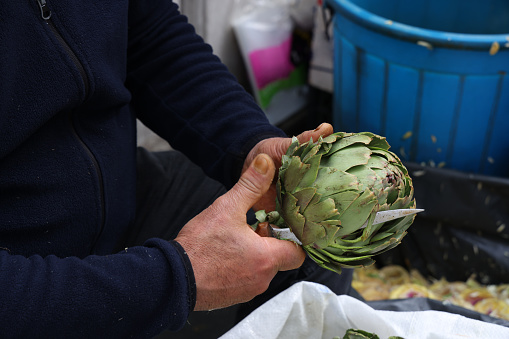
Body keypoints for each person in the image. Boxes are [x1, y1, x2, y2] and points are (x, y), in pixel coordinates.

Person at [0, 0, 352, 337]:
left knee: (307, 231)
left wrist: (249, 143)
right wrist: (176, 278)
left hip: (120, 198)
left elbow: (149, 35)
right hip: (25, 285)